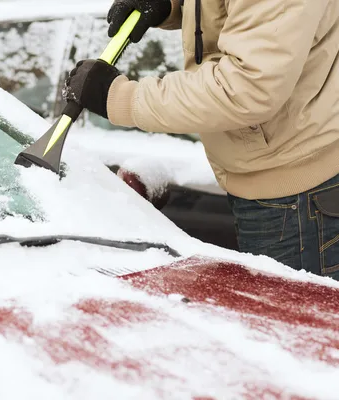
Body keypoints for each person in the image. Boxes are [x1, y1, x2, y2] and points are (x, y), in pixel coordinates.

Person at [63, 0, 339, 280]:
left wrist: (120, 97)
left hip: (297, 199)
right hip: (275, 182)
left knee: (290, 320)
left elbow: (245, 89)